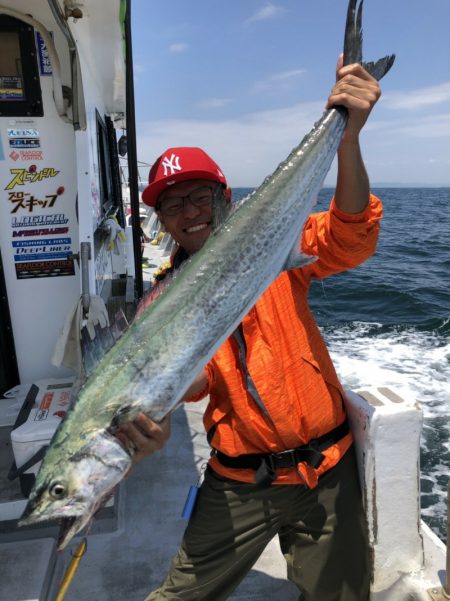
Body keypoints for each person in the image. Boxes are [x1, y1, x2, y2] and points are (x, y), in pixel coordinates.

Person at [118, 58, 383, 601]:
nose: (188, 212)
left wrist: (348, 139)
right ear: (160, 222)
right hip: (239, 481)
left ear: (225, 198)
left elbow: (351, 235)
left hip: (327, 471)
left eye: (198, 197)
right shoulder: (159, 305)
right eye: (171, 204)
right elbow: (182, 386)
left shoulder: (275, 247)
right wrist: (151, 426)